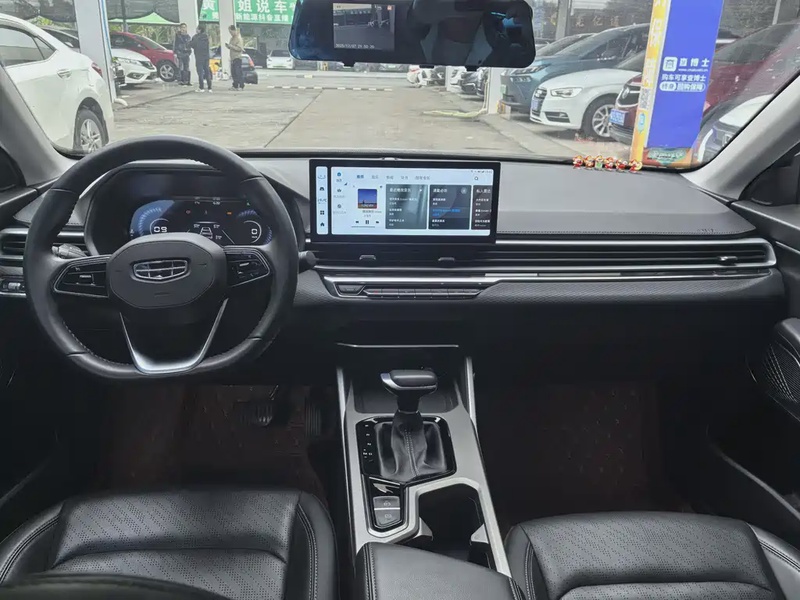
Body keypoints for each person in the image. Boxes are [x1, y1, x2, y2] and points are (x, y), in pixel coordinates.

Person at [190, 25, 212, 93]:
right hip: (206, 57)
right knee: (207, 72)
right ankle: (209, 88)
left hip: (199, 57)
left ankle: (201, 87)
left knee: (200, 73)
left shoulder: (196, 37)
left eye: (197, 29)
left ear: (199, 30)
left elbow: (192, 45)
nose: (196, 30)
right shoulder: (206, 37)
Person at [226, 24, 244, 91]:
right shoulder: (231, 38)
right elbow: (231, 46)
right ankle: (235, 85)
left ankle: (241, 85)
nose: (230, 33)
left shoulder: (238, 38)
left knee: (238, 72)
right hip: (232, 58)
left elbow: (240, 49)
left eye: (231, 32)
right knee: (233, 73)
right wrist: (228, 46)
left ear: (234, 30)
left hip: (237, 58)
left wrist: (232, 46)